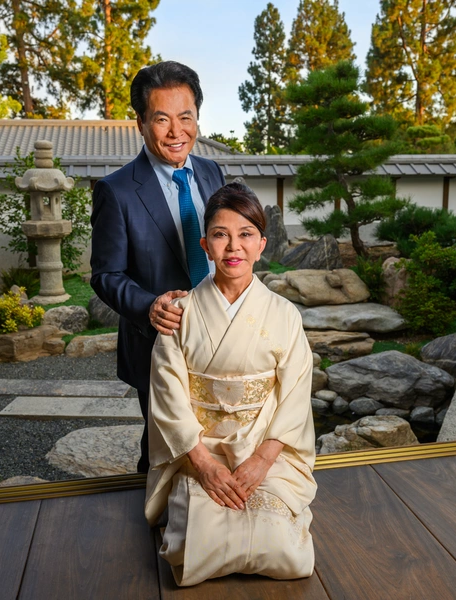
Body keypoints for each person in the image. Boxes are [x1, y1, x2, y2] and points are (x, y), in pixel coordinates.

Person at [145, 183, 317, 587]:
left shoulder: (284, 314)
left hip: (265, 449)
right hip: (199, 449)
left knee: (284, 551)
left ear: (262, 244)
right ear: (205, 245)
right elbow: (167, 393)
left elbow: (294, 394)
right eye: (221, 235)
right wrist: (203, 465)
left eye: (246, 235)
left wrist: (262, 460)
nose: (233, 247)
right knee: (196, 547)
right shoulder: (180, 312)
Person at [90, 61, 225, 473]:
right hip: (158, 342)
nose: (176, 131)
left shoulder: (211, 172)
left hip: (220, 333)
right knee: (164, 450)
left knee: (217, 440)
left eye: (186, 117)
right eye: (162, 119)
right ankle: (155, 525)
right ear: (141, 122)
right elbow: (105, 275)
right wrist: (150, 306)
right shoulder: (116, 190)